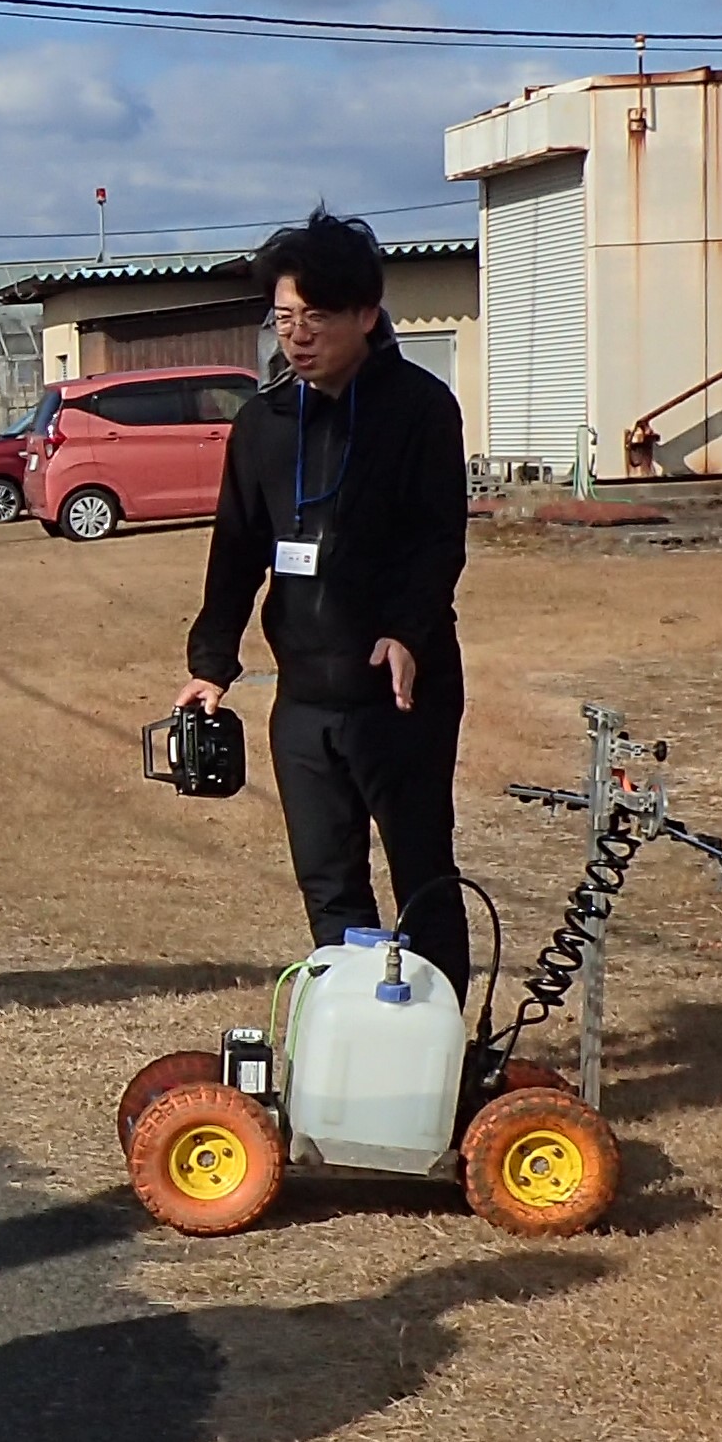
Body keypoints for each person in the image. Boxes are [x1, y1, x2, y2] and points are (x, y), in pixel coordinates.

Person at [175, 206, 475, 989]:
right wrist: (212, 660)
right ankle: (363, 1044)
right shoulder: (265, 423)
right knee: (328, 882)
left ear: (366, 315)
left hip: (400, 695)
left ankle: (445, 1055)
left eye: (316, 317)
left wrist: (408, 631)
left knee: (423, 876)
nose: (296, 335)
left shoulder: (419, 409)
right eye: (283, 318)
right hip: (304, 698)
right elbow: (237, 546)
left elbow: (439, 540)